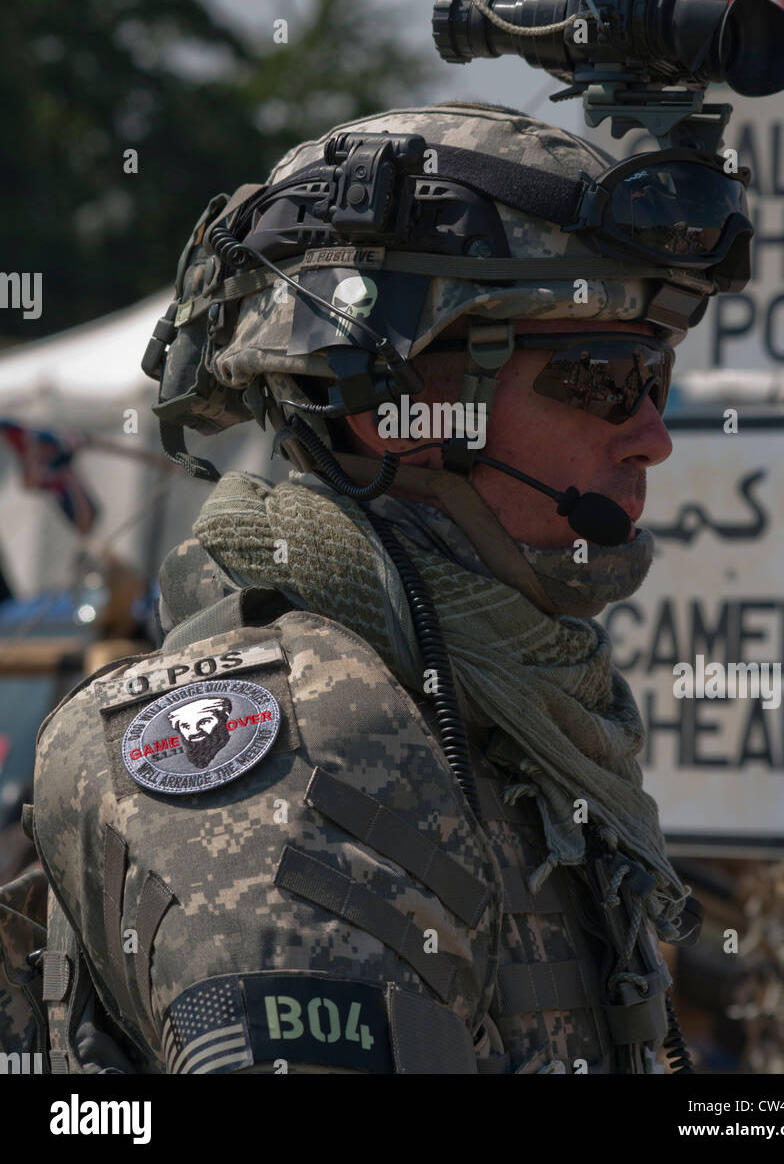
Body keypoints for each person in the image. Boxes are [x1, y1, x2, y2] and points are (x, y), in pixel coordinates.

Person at [5, 100, 744, 1074]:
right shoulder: (297, 746)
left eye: (655, 372)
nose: (651, 431)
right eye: (603, 377)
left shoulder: (503, 721)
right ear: (398, 410)